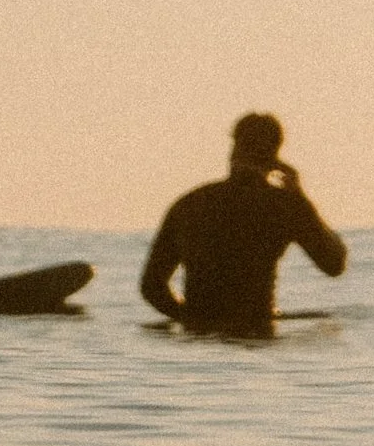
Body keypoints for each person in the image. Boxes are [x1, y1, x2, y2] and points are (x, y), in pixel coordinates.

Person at [140, 113, 346, 337]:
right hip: (258, 331)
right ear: (275, 156)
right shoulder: (283, 205)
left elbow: (152, 287)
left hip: (199, 339)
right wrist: (302, 199)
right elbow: (334, 264)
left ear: (234, 148)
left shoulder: (189, 204)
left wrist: (190, 319)